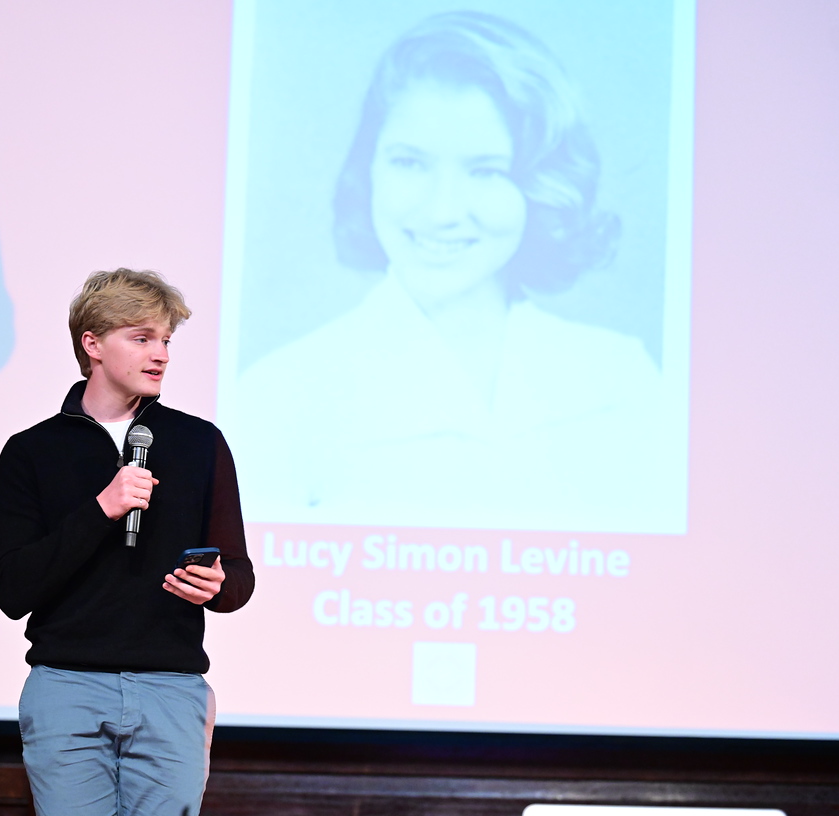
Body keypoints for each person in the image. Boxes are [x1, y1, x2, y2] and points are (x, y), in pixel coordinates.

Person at [227, 10, 682, 534]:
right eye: (410, 162)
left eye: (486, 170)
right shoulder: (280, 396)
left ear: (543, 185)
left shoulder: (621, 380)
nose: (443, 210)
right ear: (368, 168)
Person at [0, 268, 254, 816]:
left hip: (171, 690)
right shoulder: (31, 451)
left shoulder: (198, 442)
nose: (160, 354)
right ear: (92, 344)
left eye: (166, 341)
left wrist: (217, 584)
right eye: (142, 338)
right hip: (67, 689)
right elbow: (12, 590)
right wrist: (101, 509)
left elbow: (239, 578)